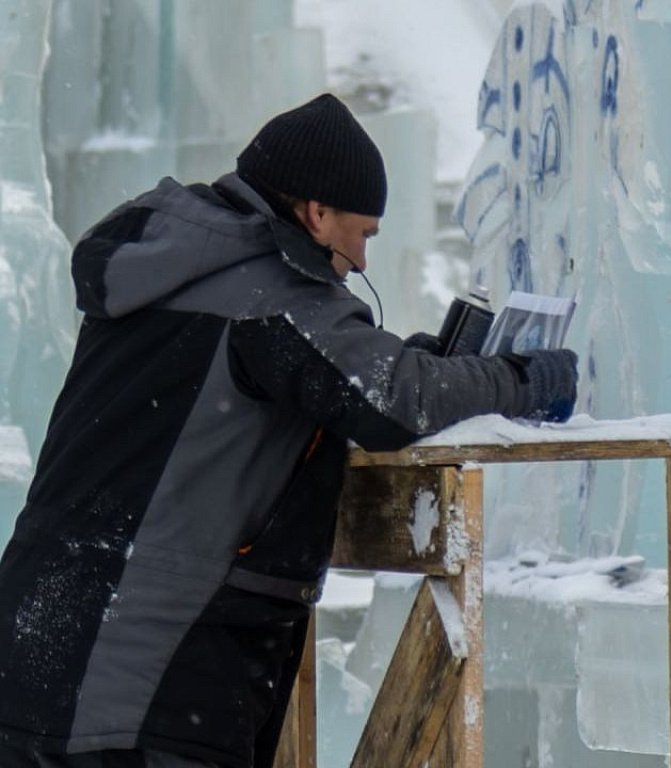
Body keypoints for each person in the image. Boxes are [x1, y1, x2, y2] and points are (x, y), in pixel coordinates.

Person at [0, 93, 578, 768]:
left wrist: (405, 359)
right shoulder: (273, 297)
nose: (360, 259)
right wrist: (523, 377)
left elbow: (335, 377)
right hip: (149, 667)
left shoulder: (175, 262)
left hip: (38, 633)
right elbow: (394, 401)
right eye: (362, 233)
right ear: (315, 212)